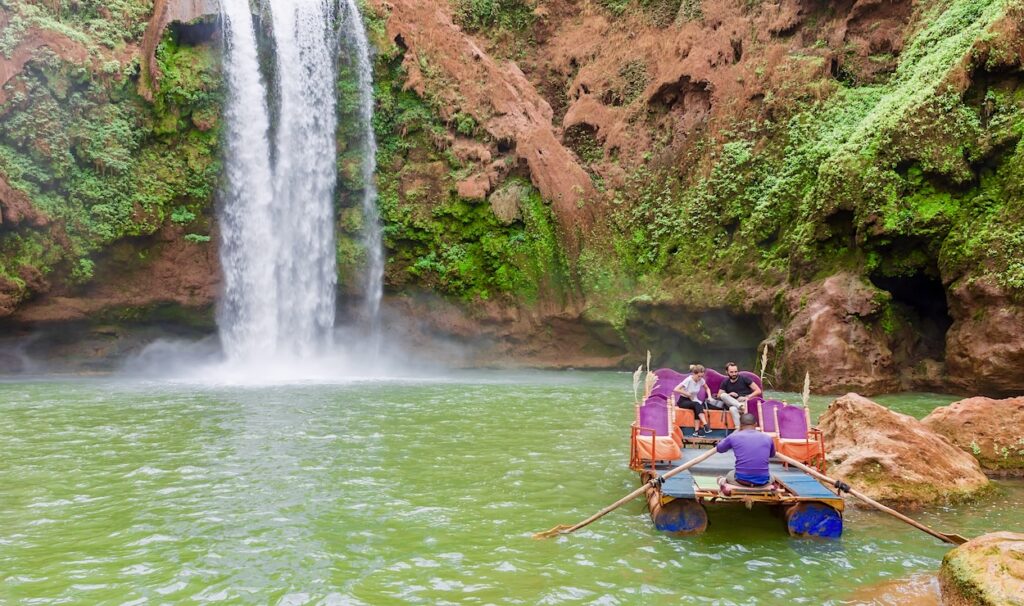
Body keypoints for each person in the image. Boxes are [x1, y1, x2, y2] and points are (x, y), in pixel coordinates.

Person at [716, 413, 775, 494]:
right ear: (756, 424)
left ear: (740, 425)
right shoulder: (768, 438)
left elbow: (719, 448)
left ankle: (726, 484)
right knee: (772, 477)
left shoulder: (734, 436)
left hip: (741, 481)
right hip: (763, 481)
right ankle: (765, 488)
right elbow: (772, 455)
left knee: (730, 474)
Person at [712, 362, 763, 430]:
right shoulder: (725, 382)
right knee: (723, 395)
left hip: (743, 402)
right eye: (731, 372)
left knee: (732, 408)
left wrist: (747, 397)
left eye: (736, 372)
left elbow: (758, 390)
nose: (734, 374)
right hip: (734, 403)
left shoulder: (744, 378)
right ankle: (740, 407)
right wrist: (729, 394)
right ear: (726, 372)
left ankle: (738, 429)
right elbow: (719, 396)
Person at [673, 364, 711, 437]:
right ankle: (705, 425)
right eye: (698, 376)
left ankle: (696, 431)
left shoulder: (701, 380)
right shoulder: (689, 380)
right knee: (696, 404)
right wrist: (687, 393)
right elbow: (676, 389)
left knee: (697, 407)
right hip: (683, 400)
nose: (700, 378)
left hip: (693, 400)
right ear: (694, 374)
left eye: (701, 376)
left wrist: (709, 396)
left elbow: (707, 388)